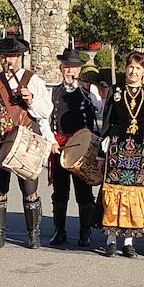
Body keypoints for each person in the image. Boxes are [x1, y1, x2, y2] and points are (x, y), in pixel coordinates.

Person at [0, 36, 54, 248]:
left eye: (12, 56)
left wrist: (31, 100)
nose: (8, 61)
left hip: (26, 143)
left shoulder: (33, 81)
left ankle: (33, 235)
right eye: (4, 57)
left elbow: (46, 112)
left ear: (20, 57)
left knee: (29, 189)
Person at [97, 51, 144, 257]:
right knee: (114, 190)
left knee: (134, 192)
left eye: (138, 68)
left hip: (141, 149)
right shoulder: (116, 90)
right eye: (130, 67)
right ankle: (110, 239)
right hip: (117, 147)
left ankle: (128, 241)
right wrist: (101, 153)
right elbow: (106, 122)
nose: (133, 71)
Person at [48, 48, 100, 248]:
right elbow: (45, 119)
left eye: (74, 68)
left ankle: (84, 232)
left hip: (83, 148)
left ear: (79, 70)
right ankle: (59, 230)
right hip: (60, 147)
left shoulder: (88, 91)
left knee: (84, 191)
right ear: (61, 68)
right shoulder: (52, 92)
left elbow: (102, 107)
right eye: (67, 67)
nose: (70, 71)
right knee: (60, 191)